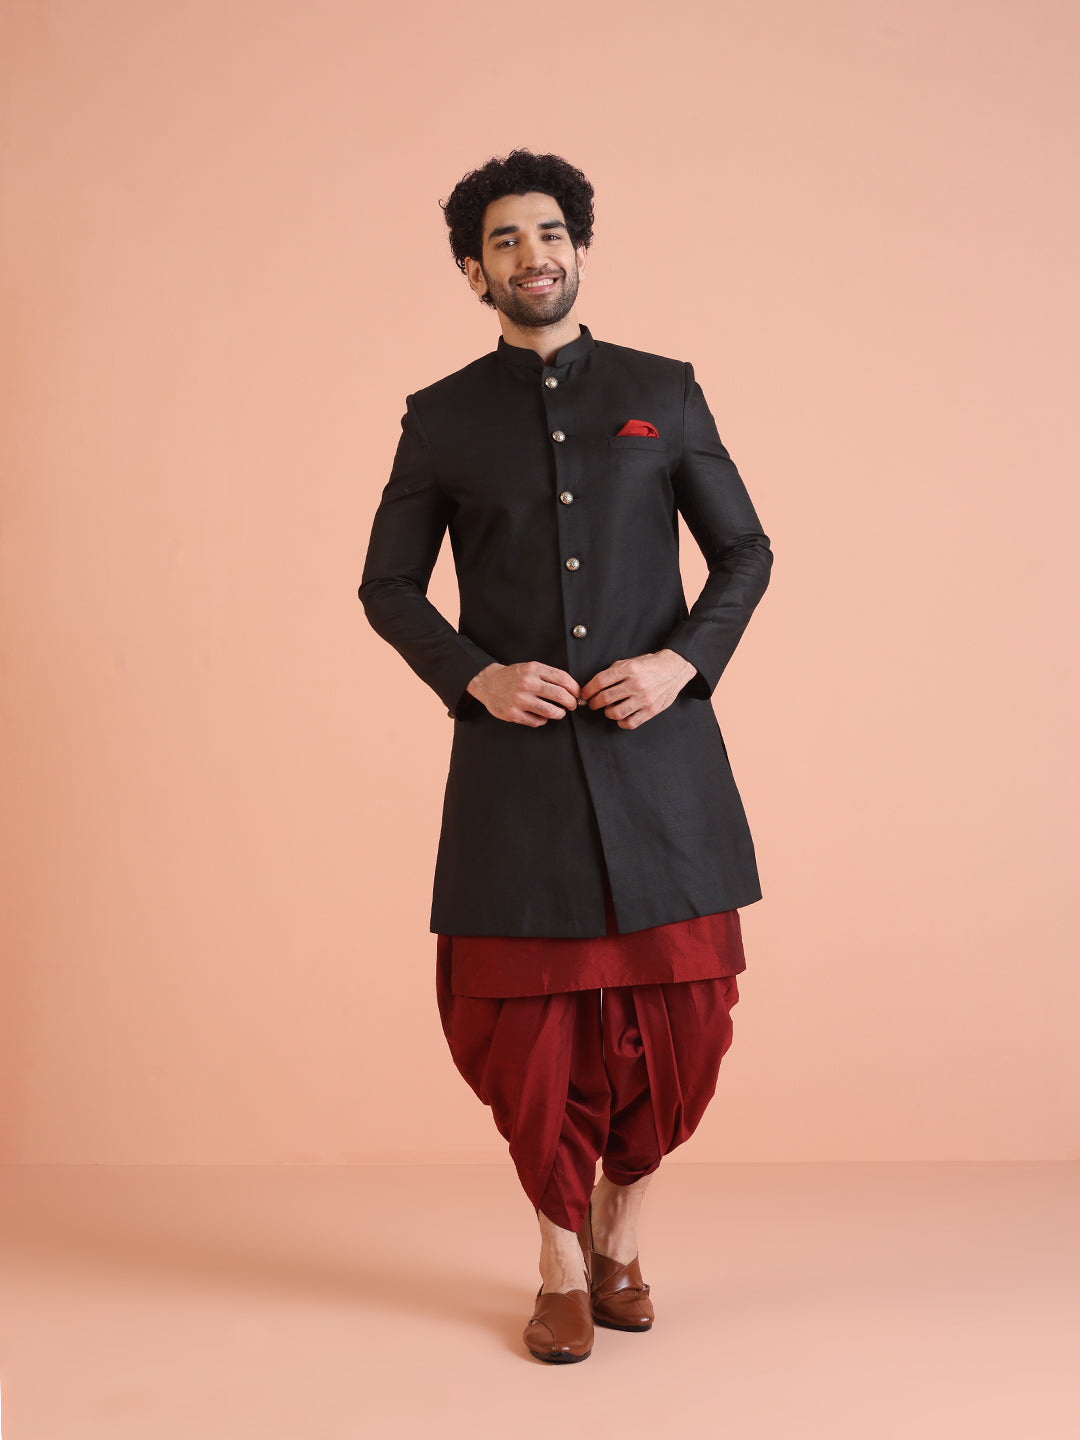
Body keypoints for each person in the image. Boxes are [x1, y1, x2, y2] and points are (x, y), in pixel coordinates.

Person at [359, 148, 773, 1364]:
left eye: (549, 233)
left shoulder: (663, 392)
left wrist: (680, 663)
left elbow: (745, 552)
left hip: (662, 765)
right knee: (528, 1038)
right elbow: (388, 585)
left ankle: (622, 1235)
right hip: (517, 774)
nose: (531, 255)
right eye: (504, 240)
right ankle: (558, 1264)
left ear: (578, 248)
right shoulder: (441, 418)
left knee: (685, 1019)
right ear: (472, 271)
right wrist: (474, 675)